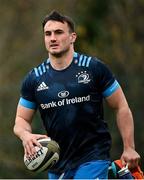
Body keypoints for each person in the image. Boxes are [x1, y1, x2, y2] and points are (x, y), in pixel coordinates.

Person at [13, 10, 140, 179]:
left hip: (94, 155)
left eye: (58, 32)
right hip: (57, 163)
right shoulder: (34, 78)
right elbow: (21, 120)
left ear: (72, 37)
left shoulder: (93, 68)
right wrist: (25, 135)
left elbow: (121, 106)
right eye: (48, 34)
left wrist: (129, 147)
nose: (52, 38)